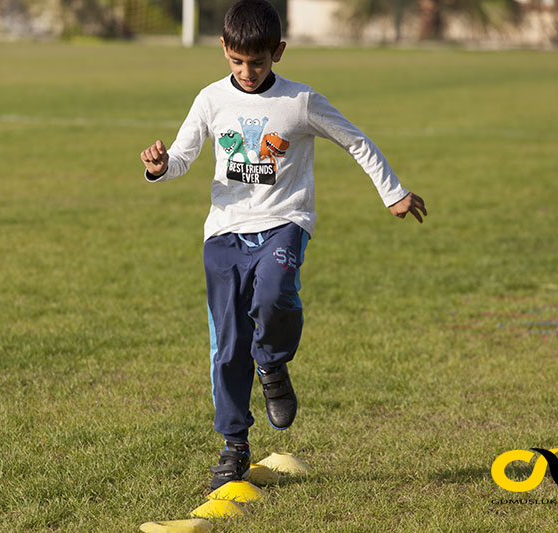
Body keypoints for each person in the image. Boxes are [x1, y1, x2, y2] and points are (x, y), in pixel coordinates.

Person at [139, 0, 426, 490]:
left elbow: (356, 141)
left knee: (274, 295)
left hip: (284, 221)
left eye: (258, 61)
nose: (247, 72)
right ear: (224, 49)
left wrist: (393, 192)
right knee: (227, 343)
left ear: (279, 52)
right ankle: (234, 447)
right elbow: (184, 155)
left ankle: (271, 362)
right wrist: (160, 166)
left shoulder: (300, 102)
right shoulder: (211, 99)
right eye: (237, 62)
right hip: (225, 230)